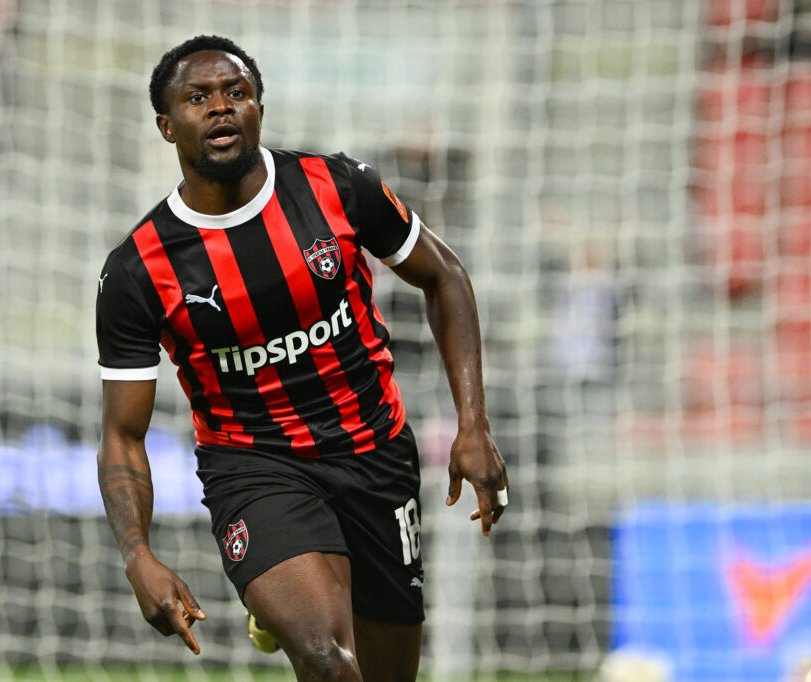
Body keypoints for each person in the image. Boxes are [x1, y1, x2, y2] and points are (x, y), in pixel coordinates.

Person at [95, 34, 508, 682]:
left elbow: (445, 276)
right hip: (256, 466)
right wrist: (136, 554)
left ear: (259, 108)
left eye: (237, 92)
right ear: (166, 124)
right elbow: (122, 434)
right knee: (326, 660)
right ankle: (286, 580)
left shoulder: (336, 186)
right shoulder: (138, 269)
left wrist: (473, 425)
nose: (221, 107)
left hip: (374, 453)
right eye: (198, 98)